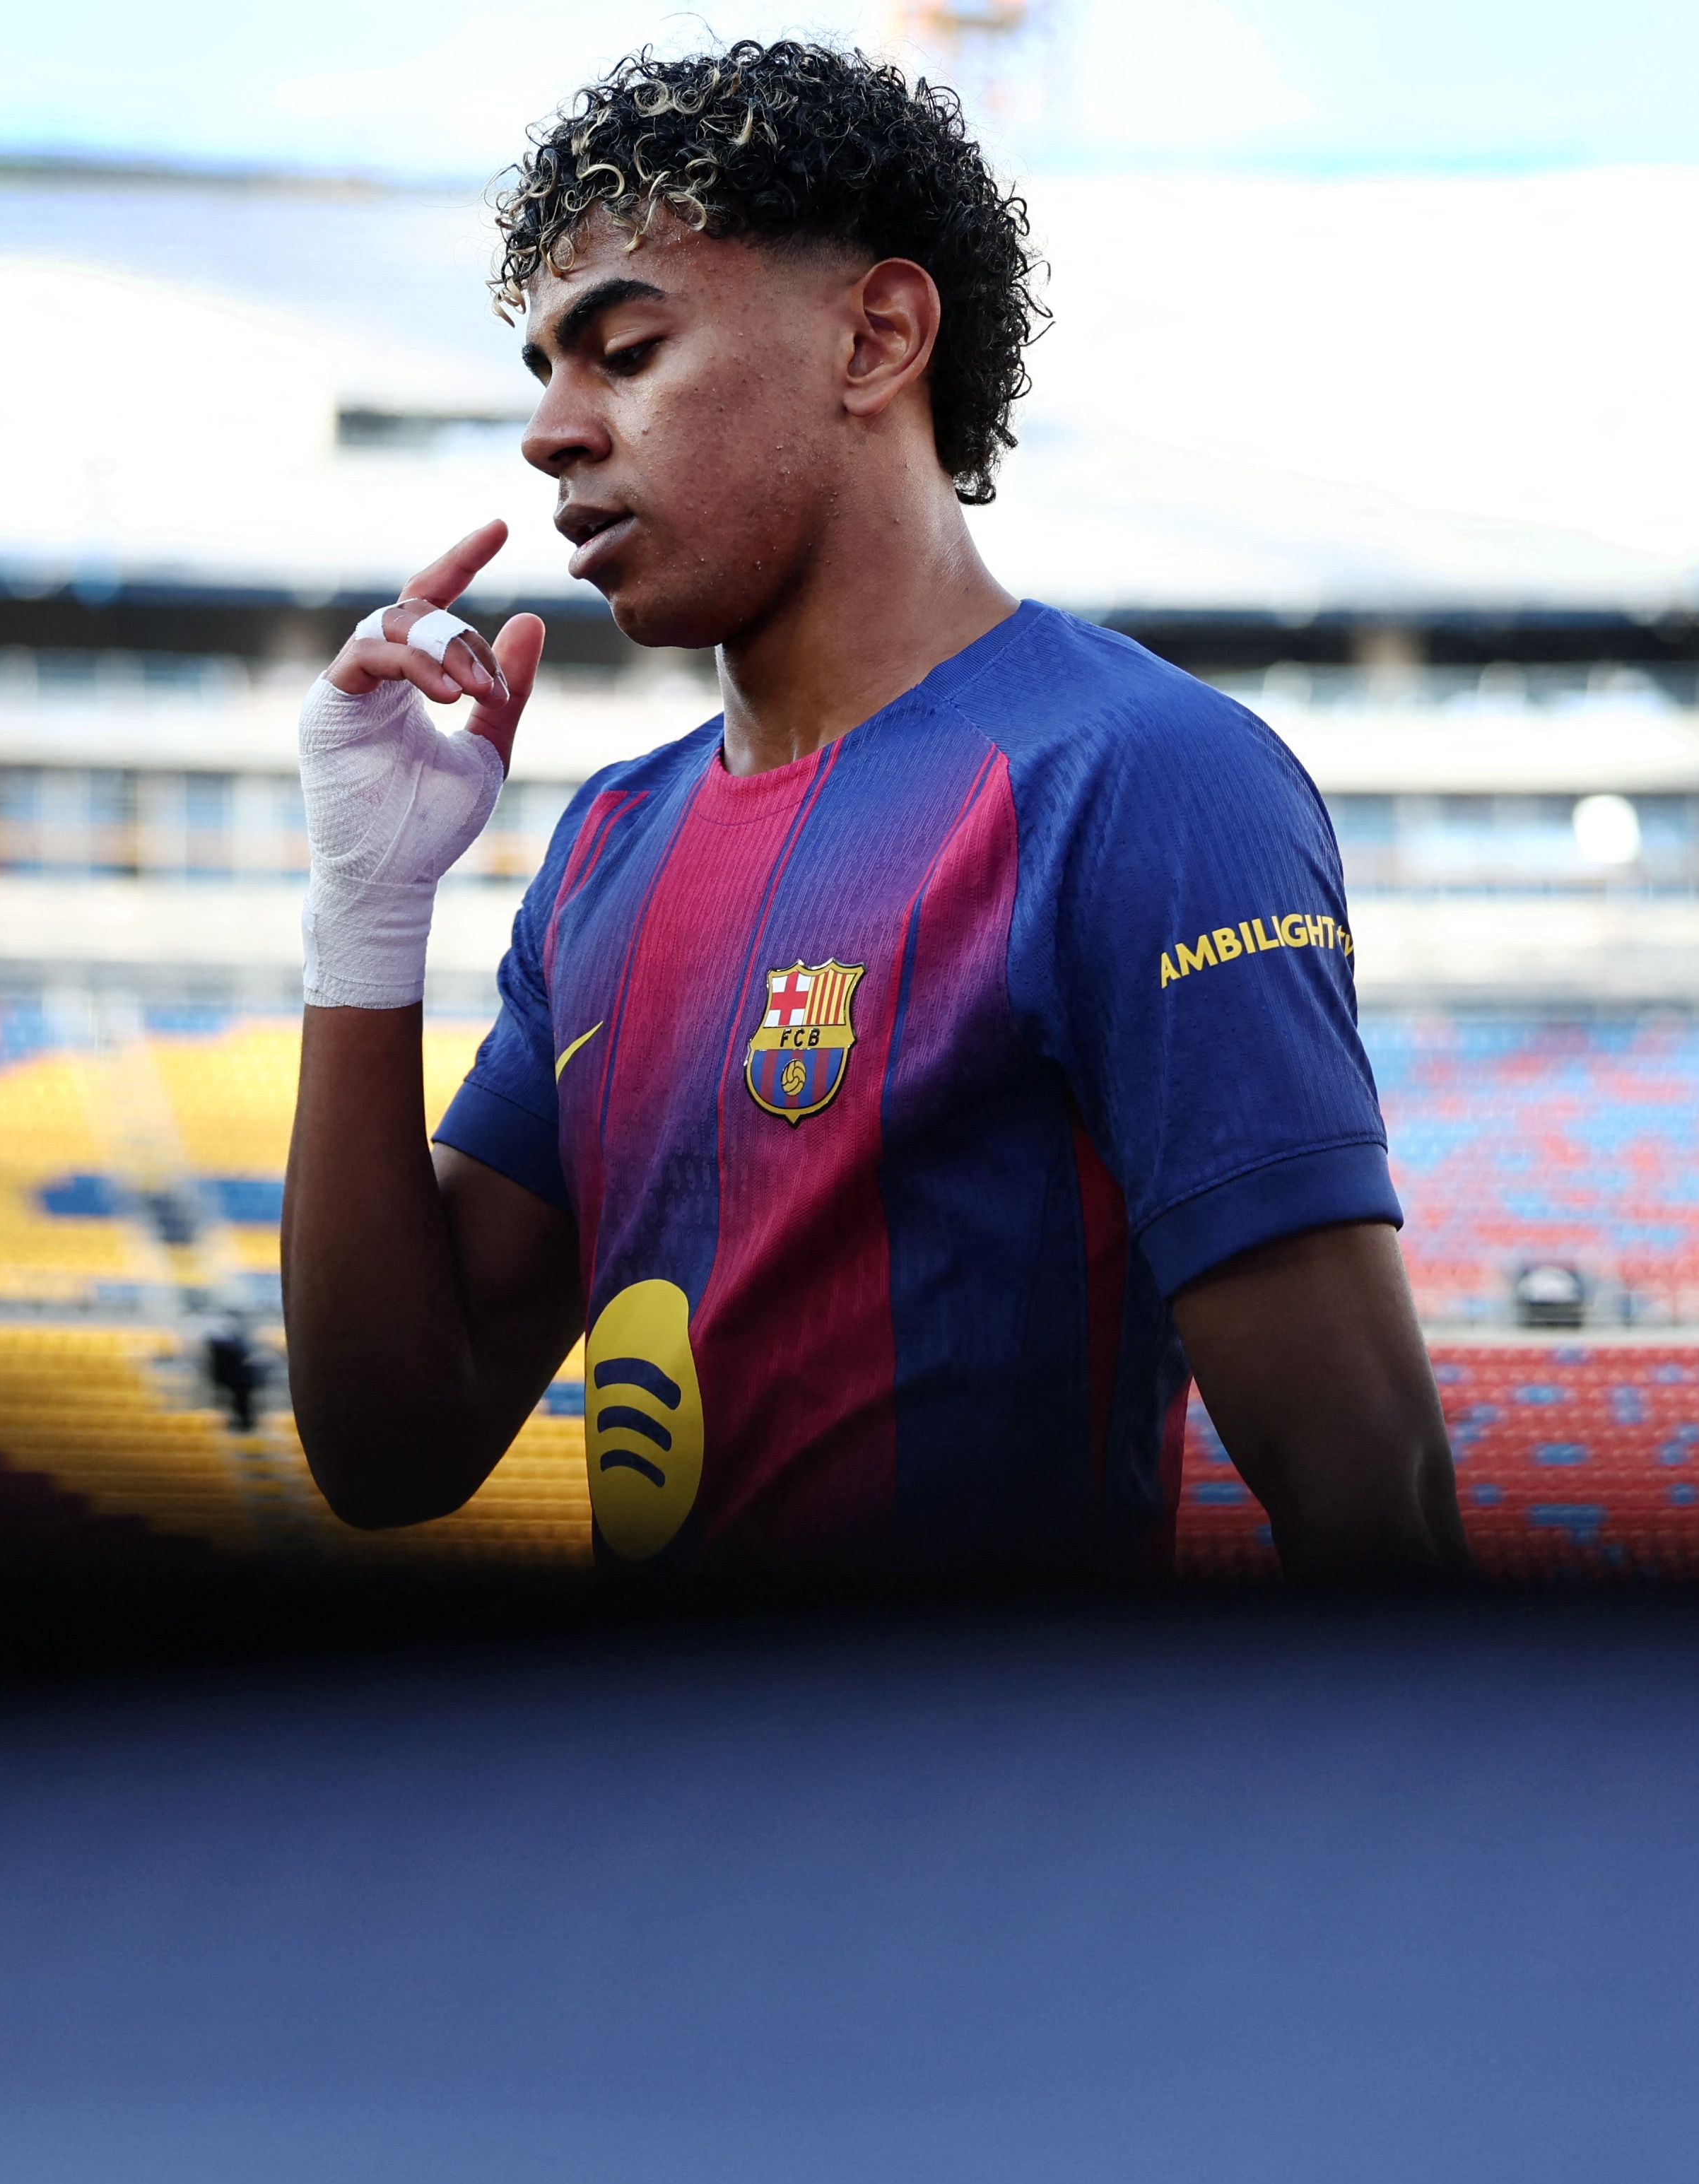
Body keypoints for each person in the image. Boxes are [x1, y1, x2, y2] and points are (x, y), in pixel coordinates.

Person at [281, 40, 1460, 1579]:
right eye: (545, 370)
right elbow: (390, 1448)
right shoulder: (601, 850)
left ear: (875, 338)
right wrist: (362, 909)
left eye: (622, 350)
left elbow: (1367, 1485)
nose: (550, 429)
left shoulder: (1138, 777)